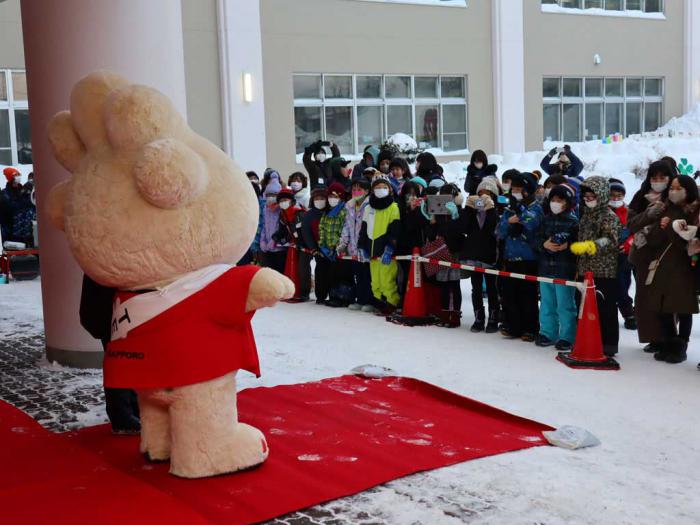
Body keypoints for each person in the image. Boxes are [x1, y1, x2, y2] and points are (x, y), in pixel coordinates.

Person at [642, 175, 699, 363]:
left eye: (678, 188)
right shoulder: (666, 208)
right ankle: (668, 342)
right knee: (663, 305)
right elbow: (653, 240)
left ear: (688, 190)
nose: (673, 191)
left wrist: (683, 233)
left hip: (684, 267)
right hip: (663, 264)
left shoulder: (695, 212)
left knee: (683, 306)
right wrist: (661, 226)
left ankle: (680, 346)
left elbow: (690, 242)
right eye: (672, 188)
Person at [79, 274, 140, 434]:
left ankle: (131, 409)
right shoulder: (104, 257)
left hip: (112, 310)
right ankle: (122, 418)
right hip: (109, 312)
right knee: (119, 361)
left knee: (127, 360)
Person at [627, 160, 676, 354]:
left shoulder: (676, 196)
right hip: (644, 254)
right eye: (654, 178)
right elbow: (631, 224)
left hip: (668, 255)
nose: (657, 181)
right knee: (644, 298)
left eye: (662, 178)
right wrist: (648, 214)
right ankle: (652, 337)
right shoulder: (640, 197)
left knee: (666, 298)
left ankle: (669, 338)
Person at [571, 176, 621, 357]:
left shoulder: (609, 216)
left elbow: (610, 239)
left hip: (604, 271)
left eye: (592, 196)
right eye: (586, 196)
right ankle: (587, 339)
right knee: (584, 307)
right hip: (585, 269)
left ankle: (608, 344)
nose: (588, 199)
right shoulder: (585, 215)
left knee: (605, 309)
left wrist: (592, 245)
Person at [496, 172, 543, 341]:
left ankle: (530, 328)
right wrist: (509, 222)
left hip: (528, 258)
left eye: (518, 188)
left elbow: (531, 224)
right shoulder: (510, 208)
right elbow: (499, 231)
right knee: (509, 294)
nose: (515, 191)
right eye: (513, 188)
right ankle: (512, 326)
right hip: (510, 256)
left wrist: (520, 216)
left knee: (528, 295)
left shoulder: (536, 207)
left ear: (527, 190)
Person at [535, 183, 579, 351]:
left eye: (559, 200)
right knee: (547, 303)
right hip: (546, 269)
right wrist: (544, 244)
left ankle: (567, 336)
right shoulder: (545, 220)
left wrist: (567, 245)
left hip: (564, 270)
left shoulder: (573, 222)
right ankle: (547, 332)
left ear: (567, 202)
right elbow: (536, 240)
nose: (555, 203)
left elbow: (578, 243)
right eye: (553, 199)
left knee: (565, 304)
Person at [459, 177, 500, 332]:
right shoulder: (472, 212)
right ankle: (478, 318)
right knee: (475, 288)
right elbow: (464, 228)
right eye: (480, 193)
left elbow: (492, 229)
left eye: (487, 194)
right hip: (474, 255)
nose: (483, 197)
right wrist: (469, 208)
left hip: (489, 255)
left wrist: (490, 209)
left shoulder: (496, 211)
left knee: (491, 288)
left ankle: (494, 319)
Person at [359, 176, 401, 314]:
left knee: (387, 279)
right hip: (372, 251)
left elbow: (395, 230)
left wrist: (390, 247)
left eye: (384, 187)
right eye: (377, 187)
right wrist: (361, 246)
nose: (380, 190)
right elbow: (363, 229)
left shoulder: (394, 207)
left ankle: (391, 302)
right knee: (375, 280)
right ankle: (378, 302)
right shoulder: (368, 208)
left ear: (389, 189)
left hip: (385, 252)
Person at [426, 184, 464, 328]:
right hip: (440, 251)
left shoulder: (460, 211)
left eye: (451, 197)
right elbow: (430, 236)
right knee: (443, 283)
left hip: (454, 251)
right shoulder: (438, 212)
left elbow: (461, 230)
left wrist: (455, 216)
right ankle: (444, 315)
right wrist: (432, 221)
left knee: (454, 283)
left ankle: (454, 316)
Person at [336, 178, 374, 312]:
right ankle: (360, 299)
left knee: (368, 276)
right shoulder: (349, 206)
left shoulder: (370, 205)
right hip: (353, 248)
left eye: (360, 189)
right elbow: (346, 226)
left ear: (367, 191)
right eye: (354, 190)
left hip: (366, 248)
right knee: (358, 276)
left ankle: (370, 302)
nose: (356, 192)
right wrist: (343, 243)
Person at [608, 178, 636, 330]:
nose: (616, 199)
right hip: (606, 257)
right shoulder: (602, 212)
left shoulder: (629, 212)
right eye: (612, 195)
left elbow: (636, 232)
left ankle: (628, 314)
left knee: (623, 286)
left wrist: (627, 245)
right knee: (609, 287)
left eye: (619, 195)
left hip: (624, 256)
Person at [318, 182, 351, 307]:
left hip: (341, 250)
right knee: (332, 274)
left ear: (341, 197)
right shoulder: (326, 213)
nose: (332, 199)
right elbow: (322, 229)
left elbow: (345, 229)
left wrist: (339, 246)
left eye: (335, 196)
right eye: (330, 196)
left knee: (342, 274)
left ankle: (344, 297)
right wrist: (323, 245)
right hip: (329, 250)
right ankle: (334, 296)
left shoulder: (343, 211)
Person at [272, 187, 306, 301]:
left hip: (304, 244)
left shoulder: (298, 212)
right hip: (293, 243)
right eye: (281, 201)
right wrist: (278, 236)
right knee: (291, 266)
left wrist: (301, 242)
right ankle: (290, 290)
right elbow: (285, 230)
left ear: (291, 200)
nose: (283, 203)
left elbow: (303, 230)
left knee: (302, 267)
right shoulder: (284, 213)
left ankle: (302, 292)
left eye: (285, 200)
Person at [300, 188, 329, 303]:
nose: (319, 201)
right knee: (320, 270)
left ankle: (333, 294)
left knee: (332, 271)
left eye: (322, 198)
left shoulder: (330, 212)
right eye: (317, 199)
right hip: (317, 248)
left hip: (332, 248)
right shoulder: (308, 215)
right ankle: (320, 296)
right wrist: (313, 248)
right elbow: (306, 233)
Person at [259, 173, 287, 273]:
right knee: (268, 274)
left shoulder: (282, 209)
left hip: (280, 249)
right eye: (268, 195)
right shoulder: (265, 209)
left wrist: (274, 241)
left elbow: (283, 229)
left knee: (279, 274)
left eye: (274, 195)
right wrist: (262, 241)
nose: (271, 197)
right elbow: (263, 226)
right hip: (266, 250)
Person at [238, 180, 265, 265]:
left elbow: (262, 226)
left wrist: (256, 247)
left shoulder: (263, 206)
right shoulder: (240, 205)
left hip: (260, 244)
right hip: (243, 245)